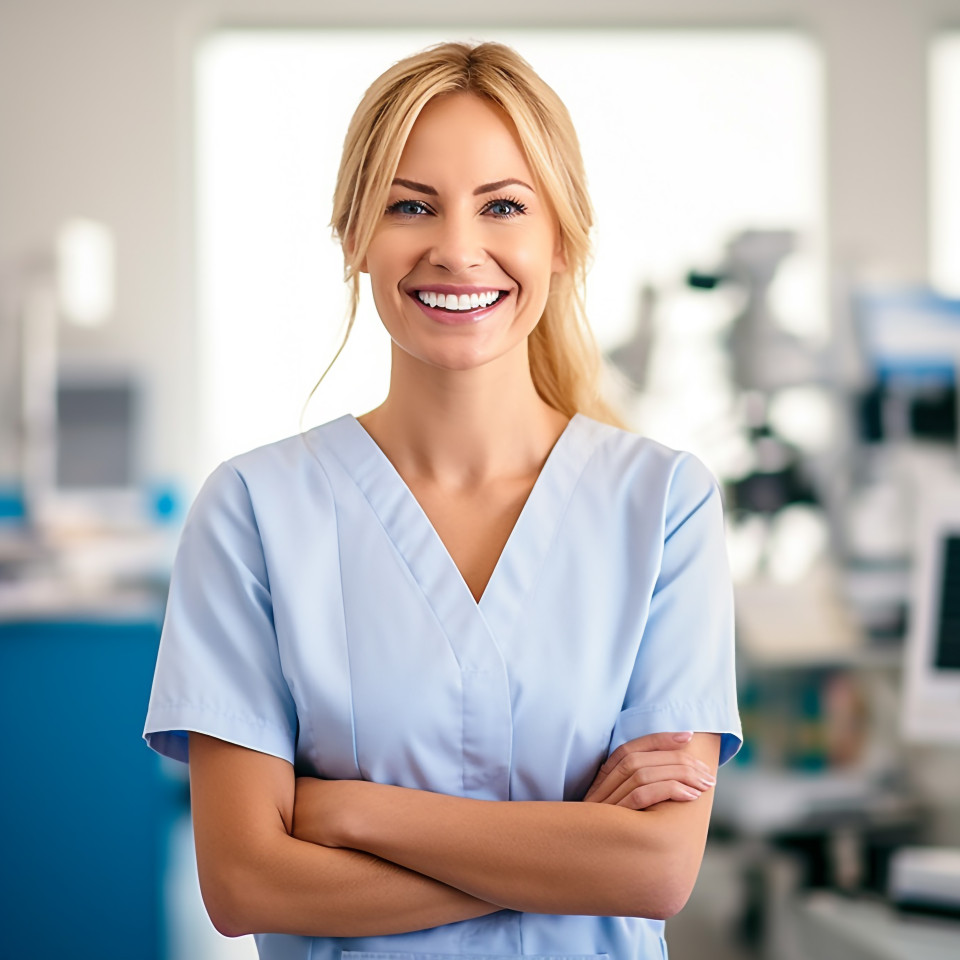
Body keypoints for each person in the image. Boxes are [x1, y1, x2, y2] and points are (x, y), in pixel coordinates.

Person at [144, 40, 742, 960]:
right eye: (409, 205)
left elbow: (655, 871)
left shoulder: (663, 505)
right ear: (352, 237)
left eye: (504, 206)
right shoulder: (253, 511)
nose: (458, 250)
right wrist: (568, 851)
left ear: (563, 239)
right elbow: (244, 882)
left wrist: (346, 810)